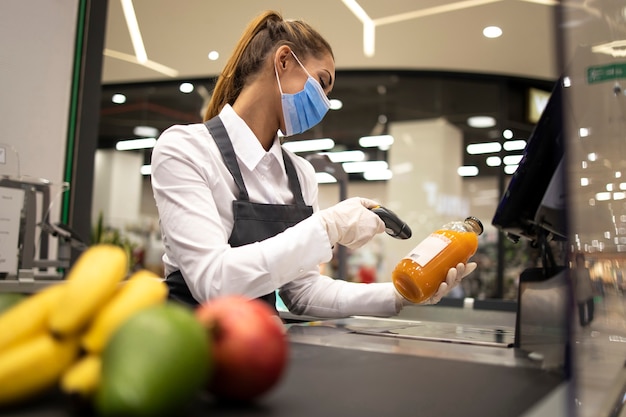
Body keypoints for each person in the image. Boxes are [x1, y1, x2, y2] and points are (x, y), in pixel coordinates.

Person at [150, 10, 476, 318]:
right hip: (189, 348)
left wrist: (398, 295)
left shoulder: (300, 175)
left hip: (257, 351)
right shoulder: (186, 149)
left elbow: (303, 293)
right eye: (321, 82)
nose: (325, 102)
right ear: (284, 60)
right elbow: (213, 282)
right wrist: (327, 227)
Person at [573, 252, 594, 326]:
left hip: (588, 289)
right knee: (581, 307)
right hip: (580, 290)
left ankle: (590, 318)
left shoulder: (586, 270)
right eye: (578, 260)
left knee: (591, 305)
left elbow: (589, 279)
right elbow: (574, 282)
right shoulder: (575, 271)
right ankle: (582, 322)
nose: (580, 262)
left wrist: (592, 288)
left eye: (581, 260)